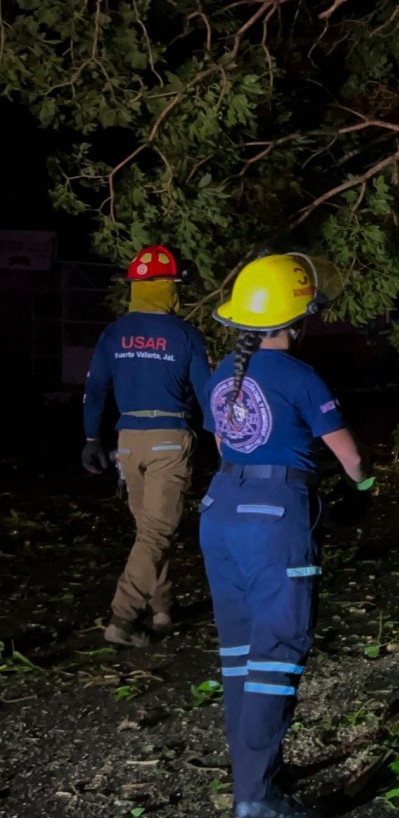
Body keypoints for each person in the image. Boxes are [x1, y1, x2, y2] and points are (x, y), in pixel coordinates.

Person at [202, 253, 372, 818]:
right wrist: (364, 486)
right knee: (276, 656)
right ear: (295, 320)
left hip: (220, 511)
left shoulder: (222, 371)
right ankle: (257, 800)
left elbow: (226, 446)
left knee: (240, 656)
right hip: (275, 518)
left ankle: (255, 772)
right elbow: (347, 454)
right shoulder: (300, 375)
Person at [81, 245, 211, 647]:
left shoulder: (113, 333)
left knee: (150, 531)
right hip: (168, 441)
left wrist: (91, 438)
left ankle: (162, 608)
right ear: (168, 287)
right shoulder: (185, 334)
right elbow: (207, 394)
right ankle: (122, 617)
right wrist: (224, 441)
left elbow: (94, 389)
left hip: (127, 444)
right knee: (157, 531)